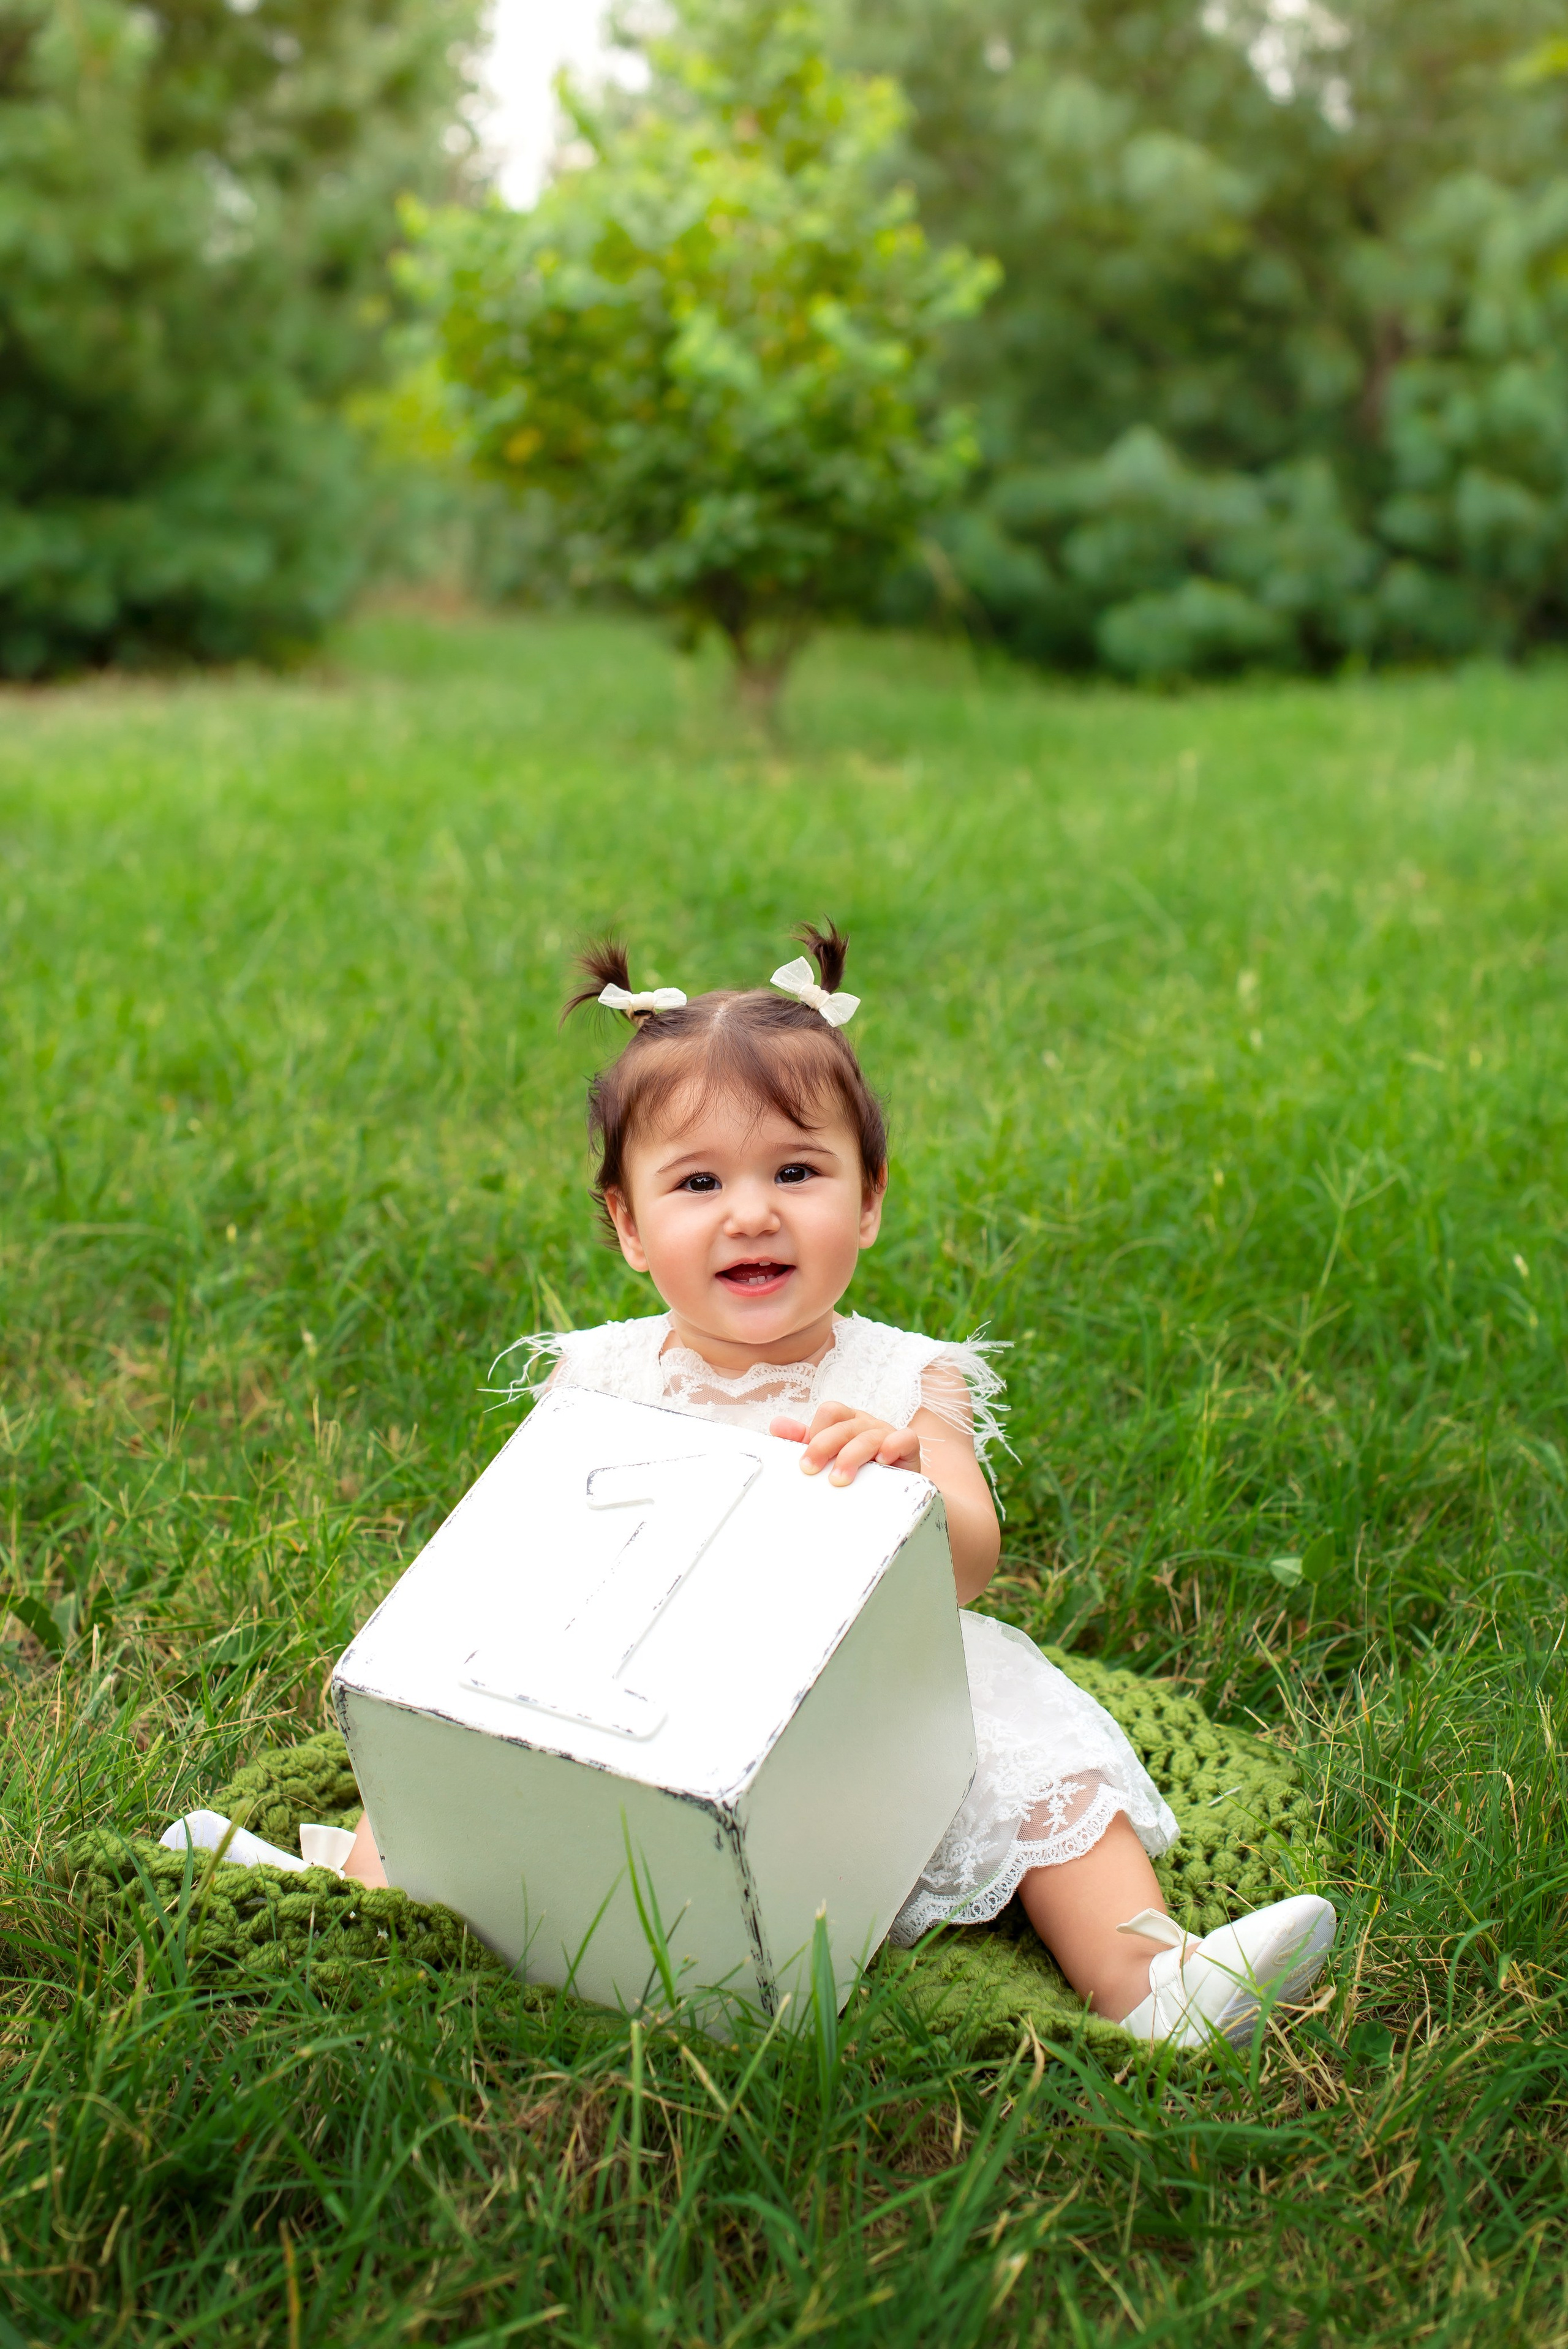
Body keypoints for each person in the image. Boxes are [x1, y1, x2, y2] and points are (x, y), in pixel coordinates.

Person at [184, 924, 1337, 2047]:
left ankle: (1144, 1977)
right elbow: (535, 1544)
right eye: (698, 1182)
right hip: (652, 1671)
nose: (752, 1211)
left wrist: (915, 1488)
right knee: (483, 1725)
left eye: (797, 1170)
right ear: (629, 1226)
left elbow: (975, 1562)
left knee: (1022, 1733)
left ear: (870, 1199)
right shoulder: (601, 1374)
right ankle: (366, 1889)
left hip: (854, 1682)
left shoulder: (904, 1376)